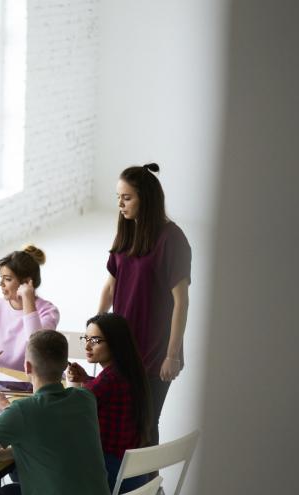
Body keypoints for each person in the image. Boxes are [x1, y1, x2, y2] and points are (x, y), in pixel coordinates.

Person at [98, 163, 191, 446]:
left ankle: (149, 486)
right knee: (121, 419)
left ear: (146, 198)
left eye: (127, 198)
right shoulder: (126, 232)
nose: (120, 204)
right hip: (122, 345)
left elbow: (181, 302)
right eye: (118, 197)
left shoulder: (172, 239)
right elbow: (110, 285)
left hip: (154, 351)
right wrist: (95, 330)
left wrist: (172, 354)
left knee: (147, 424)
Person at [0, 330, 110, 495]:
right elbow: (58, 422)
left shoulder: (22, 411)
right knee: (10, 489)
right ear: (65, 365)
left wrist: (16, 450)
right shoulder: (86, 398)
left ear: (27, 367)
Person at [67, 313, 152, 493]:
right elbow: (104, 393)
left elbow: (66, 410)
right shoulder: (128, 372)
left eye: (96, 340)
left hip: (110, 476)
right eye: (86, 339)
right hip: (133, 473)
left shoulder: (107, 381)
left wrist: (73, 383)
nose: (88, 346)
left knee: (24, 463)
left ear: (115, 343)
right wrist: (86, 379)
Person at [0, 245, 60, 371]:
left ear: (26, 282)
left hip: (35, 381)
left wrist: (27, 297)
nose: (1, 284)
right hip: (2, 377)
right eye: (1, 278)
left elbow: (36, 345)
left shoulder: (48, 311)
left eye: (7, 279)